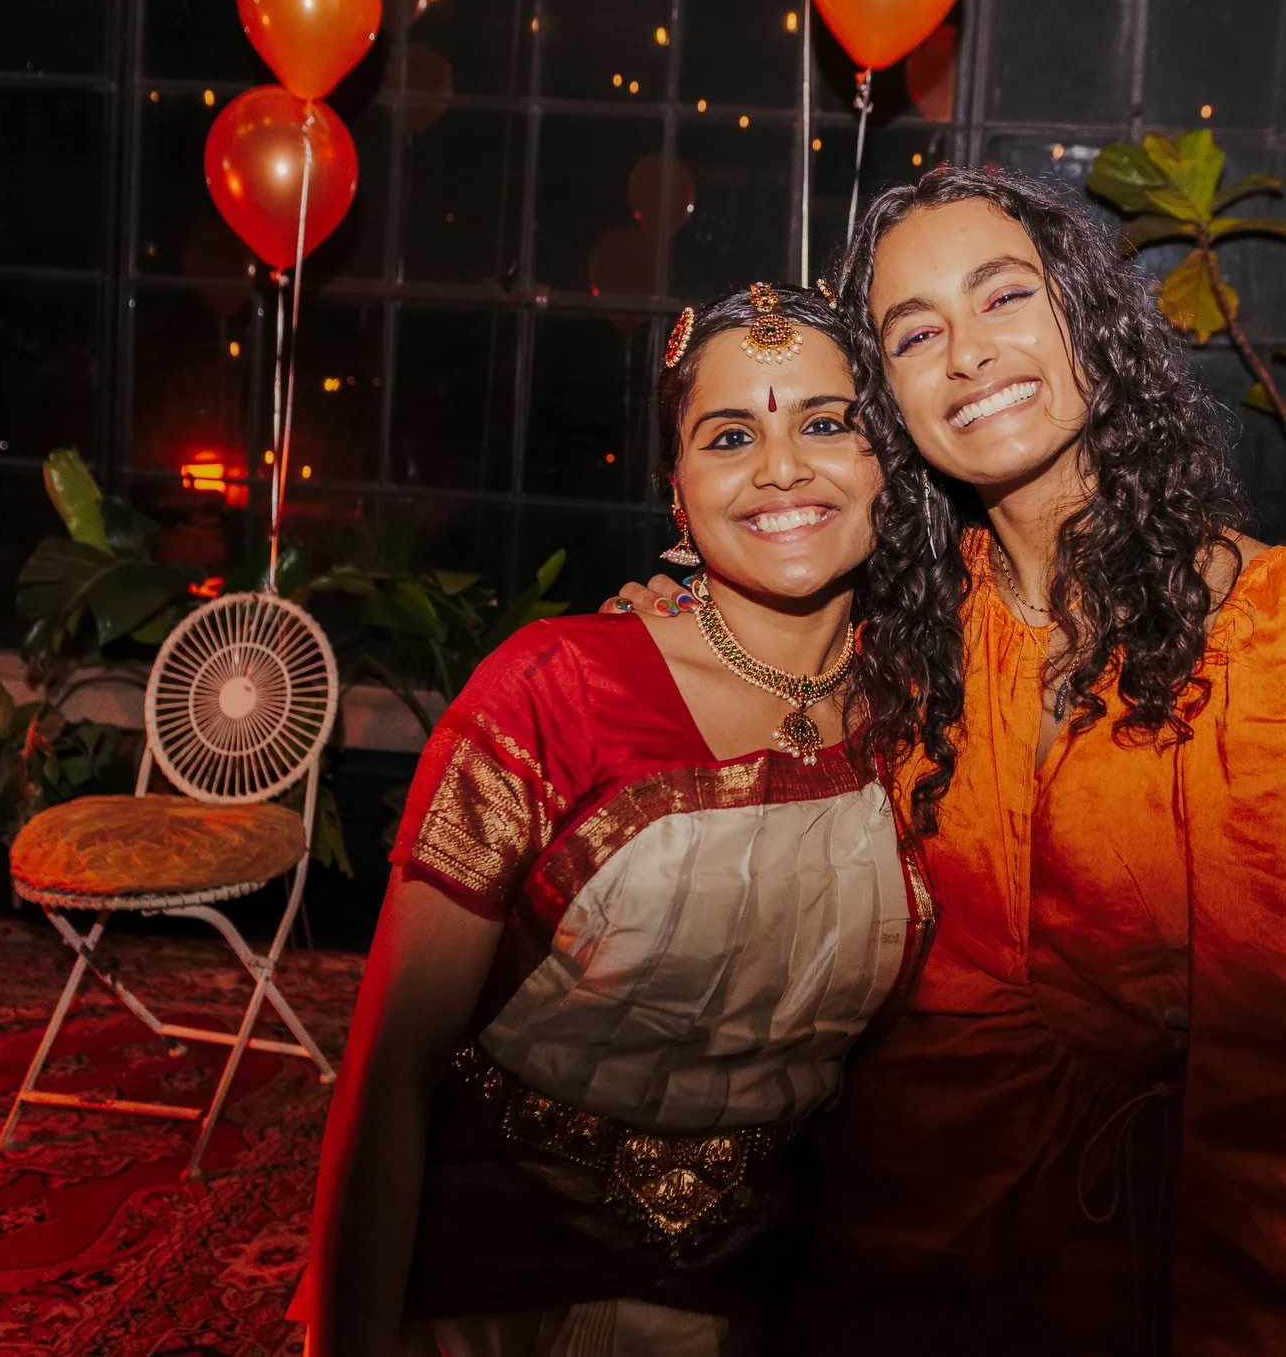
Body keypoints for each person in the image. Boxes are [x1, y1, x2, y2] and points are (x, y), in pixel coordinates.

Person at [620, 167, 1286, 1355]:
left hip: (1143, 1279)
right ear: (888, 396)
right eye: (915, 332)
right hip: (885, 1254)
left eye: (1004, 298)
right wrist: (677, 620)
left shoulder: (1282, 631)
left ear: (1088, 322)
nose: (968, 356)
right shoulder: (912, 629)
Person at [303, 284, 928, 1357]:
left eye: (826, 422)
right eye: (731, 435)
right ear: (676, 494)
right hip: (494, 1302)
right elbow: (391, 1072)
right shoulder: (557, 689)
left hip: (772, 1305)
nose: (782, 467)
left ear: (890, 463)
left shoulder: (927, 707)